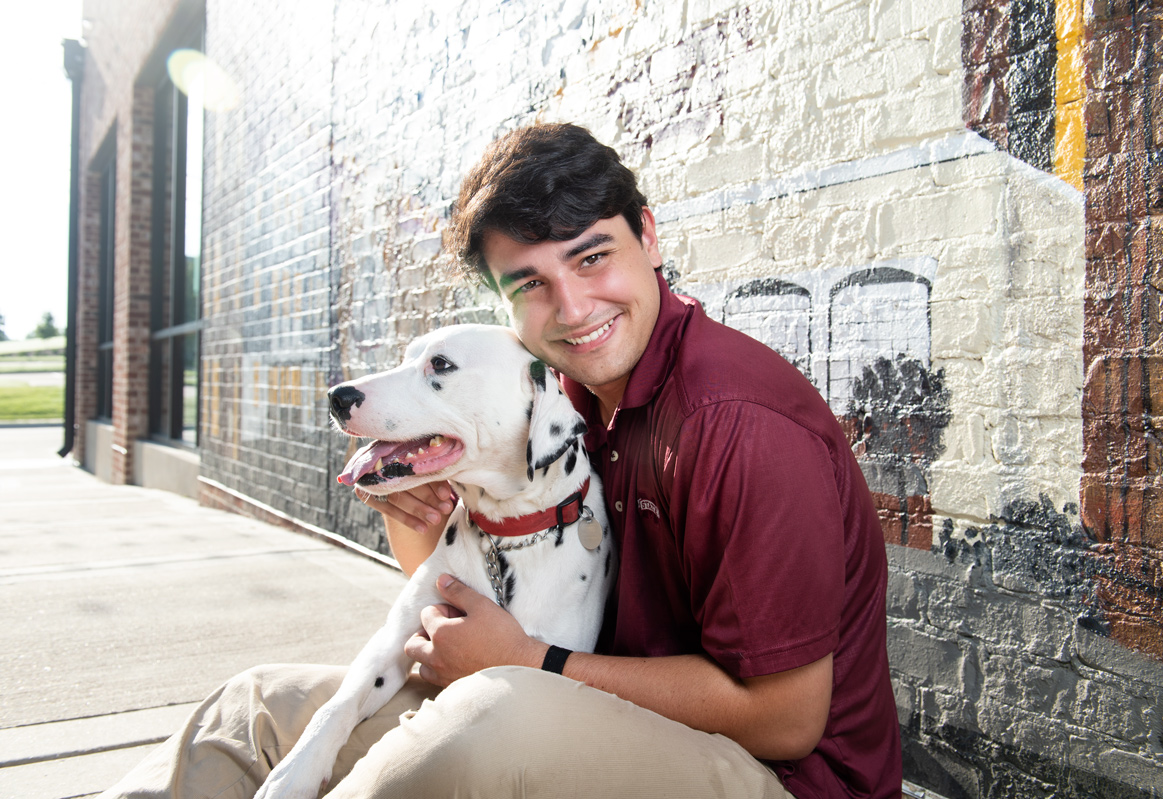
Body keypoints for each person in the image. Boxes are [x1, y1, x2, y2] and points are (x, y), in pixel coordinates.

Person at [101, 123, 901, 799]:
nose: (574, 308)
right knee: (259, 711)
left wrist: (529, 661)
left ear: (649, 236)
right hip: (590, 701)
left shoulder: (737, 423)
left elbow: (788, 717)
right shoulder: (564, 395)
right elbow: (475, 594)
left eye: (592, 258)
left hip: (779, 777)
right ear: (504, 304)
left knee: (483, 721)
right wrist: (422, 526)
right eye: (531, 284)